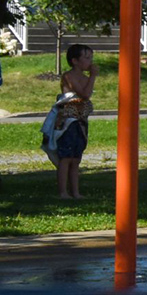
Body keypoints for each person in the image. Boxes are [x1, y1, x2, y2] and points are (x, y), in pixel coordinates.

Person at [44, 44, 95, 201]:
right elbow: (85, 94)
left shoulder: (86, 78)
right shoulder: (68, 76)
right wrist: (93, 76)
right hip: (67, 121)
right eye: (86, 58)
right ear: (75, 61)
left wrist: (90, 78)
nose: (90, 62)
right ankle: (63, 192)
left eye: (91, 58)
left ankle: (76, 191)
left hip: (80, 120)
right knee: (65, 158)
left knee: (76, 158)